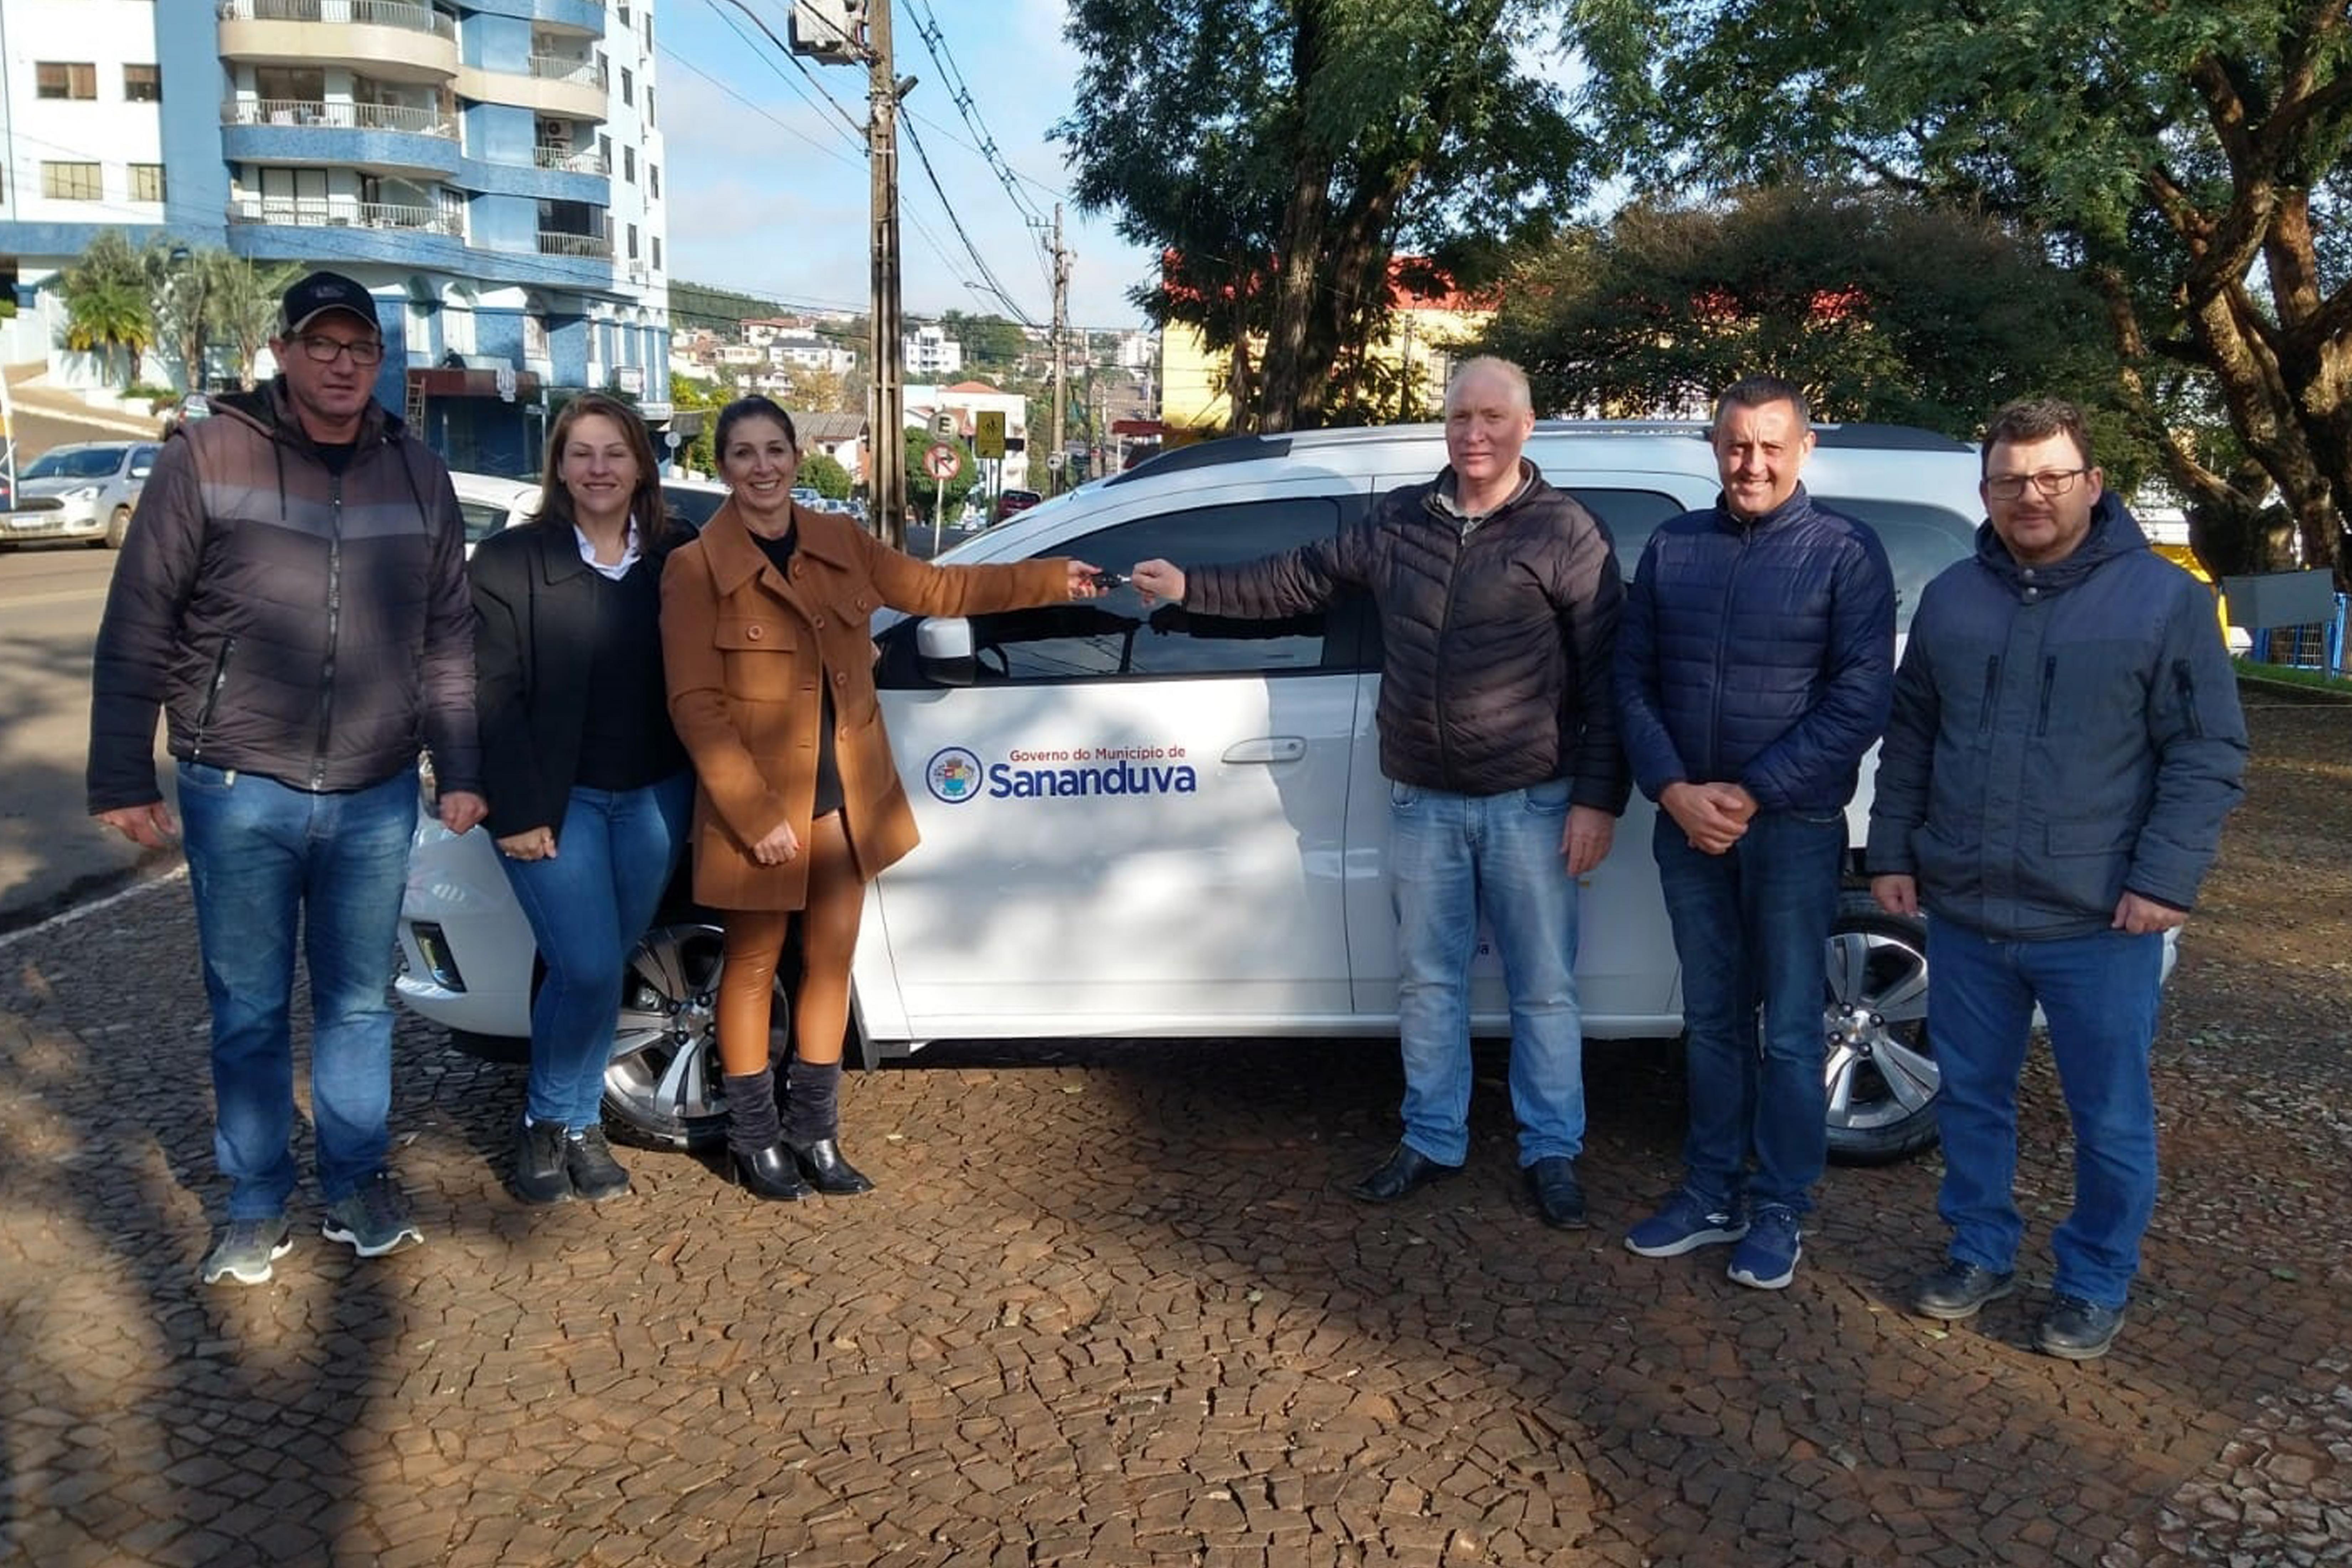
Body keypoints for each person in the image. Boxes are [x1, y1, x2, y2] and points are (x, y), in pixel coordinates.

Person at [1130, 356, 1627, 1228]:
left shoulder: (1567, 532)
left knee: (1544, 988)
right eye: (1461, 417)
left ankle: (1552, 1149)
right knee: (1428, 983)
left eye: (1493, 418)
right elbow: (1295, 578)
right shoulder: (1400, 521)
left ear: (1526, 426)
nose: (1475, 434)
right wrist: (1191, 587)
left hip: (1532, 801)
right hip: (1423, 801)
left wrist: (1599, 800)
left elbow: (1609, 676)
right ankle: (1433, 1136)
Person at [87, 270, 486, 1285]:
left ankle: (356, 1183)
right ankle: (255, 1201)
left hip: (375, 788)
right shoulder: (208, 455)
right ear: (283, 352)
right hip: (239, 783)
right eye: (323, 345)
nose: (342, 364)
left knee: (358, 1006)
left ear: (379, 360)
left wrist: (460, 765)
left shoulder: (419, 474)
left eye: (360, 348)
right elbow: (140, 616)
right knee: (249, 1008)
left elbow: (448, 638)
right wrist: (119, 770)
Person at [1868, 397, 2247, 1359]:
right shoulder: (1954, 597)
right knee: (1972, 1098)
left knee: (2108, 1117)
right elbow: (1913, 736)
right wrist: (1894, 852)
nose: (2030, 496)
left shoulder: (2162, 601)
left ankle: (2094, 1278)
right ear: (1986, 489)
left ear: (2093, 483)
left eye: (2051, 477)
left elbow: (2206, 752)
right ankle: (1979, 1249)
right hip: (1968, 912)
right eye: (2009, 480)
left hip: (2101, 920)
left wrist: (2164, 881)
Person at [660, 397, 1105, 1200]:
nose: (763, 467)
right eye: (744, 453)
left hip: (845, 794)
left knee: (832, 963)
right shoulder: (696, 568)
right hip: (760, 808)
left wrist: (1050, 578)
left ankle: (816, 1131)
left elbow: (937, 587)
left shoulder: (838, 540)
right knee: (753, 967)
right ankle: (755, 1141)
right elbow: (696, 705)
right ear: (722, 467)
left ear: (796, 458)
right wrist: (754, 815)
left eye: (775, 450)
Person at [1615, 377, 1897, 1290]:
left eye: (1772, 445)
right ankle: (1711, 1191)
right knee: (1711, 1020)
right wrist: (1673, 790)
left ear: (1804, 449)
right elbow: (1631, 680)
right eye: (1738, 444)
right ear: (1715, 447)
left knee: (1791, 1030)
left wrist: (1747, 793)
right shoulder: (1674, 547)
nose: (1753, 463)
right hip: (1688, 825)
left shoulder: (1846, 551)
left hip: (1794, 827)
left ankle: (1780, 1205)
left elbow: (1861, 699)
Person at [470, 394, 693, 1206]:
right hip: (553, 803)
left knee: (602, 968)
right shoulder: (508, 563)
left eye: (615, 452)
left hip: (656, 794)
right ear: (559, 467)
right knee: (587, 964)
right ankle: (548, 1119)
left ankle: (576, 1124)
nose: (599, 468)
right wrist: (516, 809)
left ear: (641, 466)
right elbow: (488, 696)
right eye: (582, 453)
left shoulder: (679, 553)